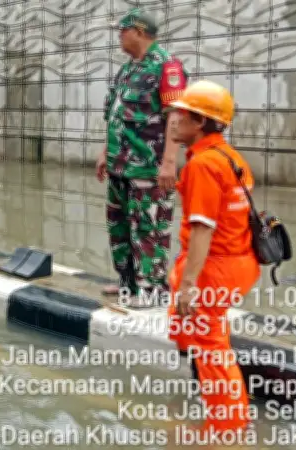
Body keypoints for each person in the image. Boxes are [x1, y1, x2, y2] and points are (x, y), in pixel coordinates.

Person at [166, 80, 259, 436]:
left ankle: (227, 431)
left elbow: (203, 229)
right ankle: (211, 407)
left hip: (214, 268)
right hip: (238, 261)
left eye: (181, 114)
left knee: (210, 346)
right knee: (189, 327)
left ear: (200, 122)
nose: (173, 120)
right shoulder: (230, 157)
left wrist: (189, 284)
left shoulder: (203, 165)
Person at [96, 8, 188, 302]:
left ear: (138, 31)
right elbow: (116, 115)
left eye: (121, 30)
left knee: (149, 230)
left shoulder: (166, 66)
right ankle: (128, 283)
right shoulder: (128, 69)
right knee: (119, 227)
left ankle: (153, 288)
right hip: (119, 166)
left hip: (148, 168)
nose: (118, 36)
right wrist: (103, 154)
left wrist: (169, 163)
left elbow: (176, 116)